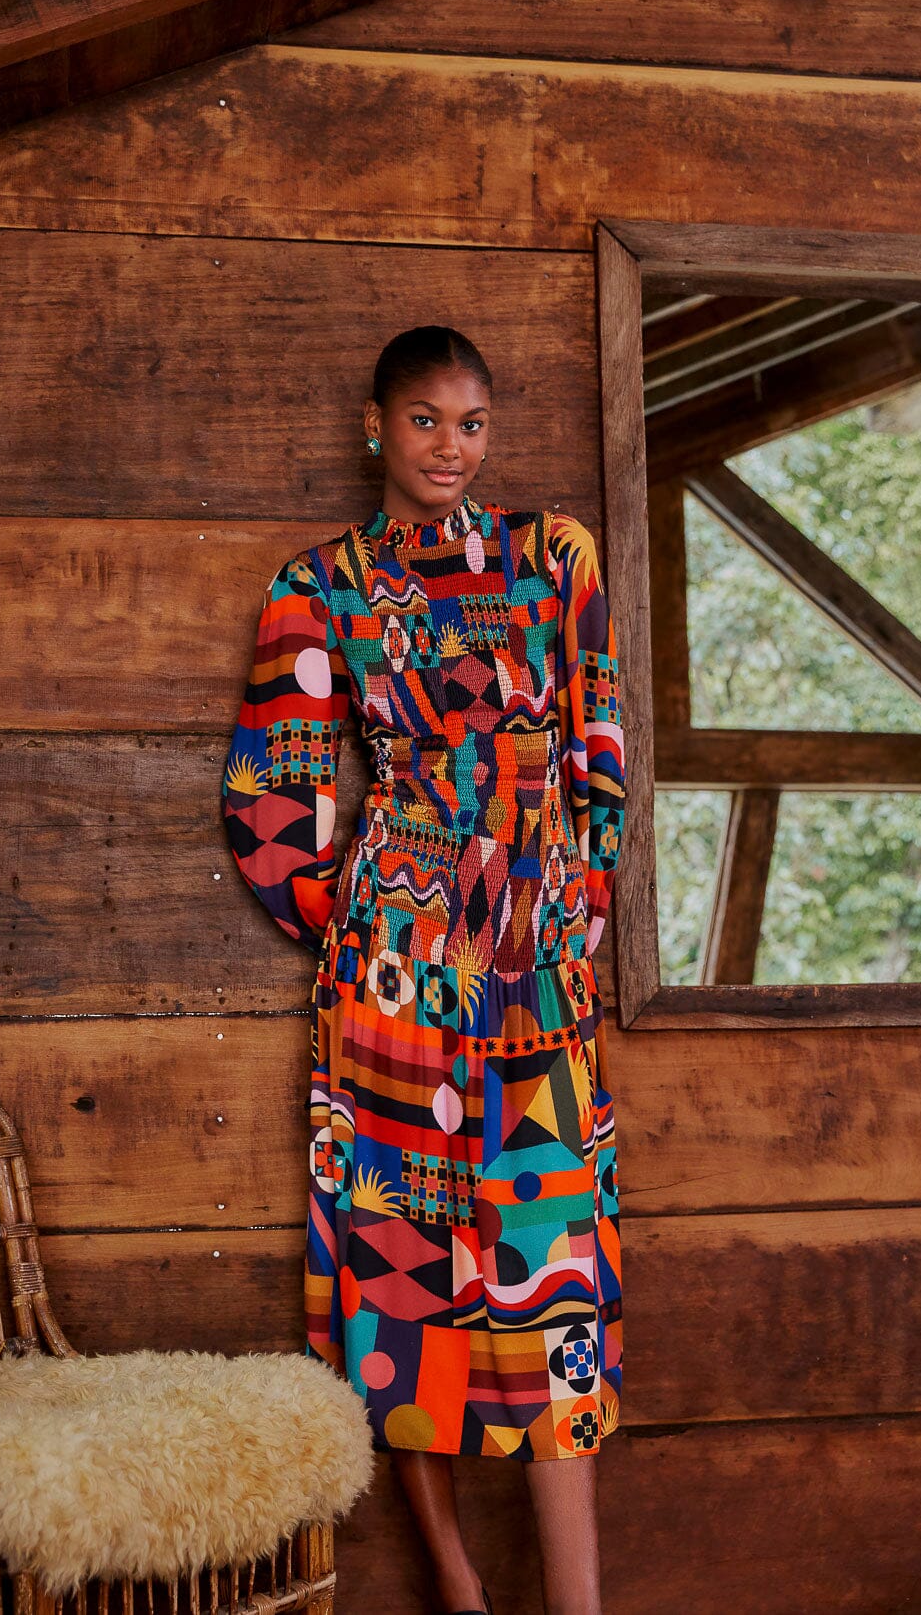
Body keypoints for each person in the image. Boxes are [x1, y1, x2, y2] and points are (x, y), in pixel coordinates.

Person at [222, 325, 625, 1615]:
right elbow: (271, 789)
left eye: (473, 423)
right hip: (394, 972)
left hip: (533, 966)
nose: (452, 447)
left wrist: (577, 900)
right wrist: (360, 921)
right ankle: (458, 1585)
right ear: (375, 426)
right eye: (425, 421)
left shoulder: (554, 559)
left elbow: (599, 736)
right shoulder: (319, 586)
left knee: (553, 1273)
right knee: (396, 1261)